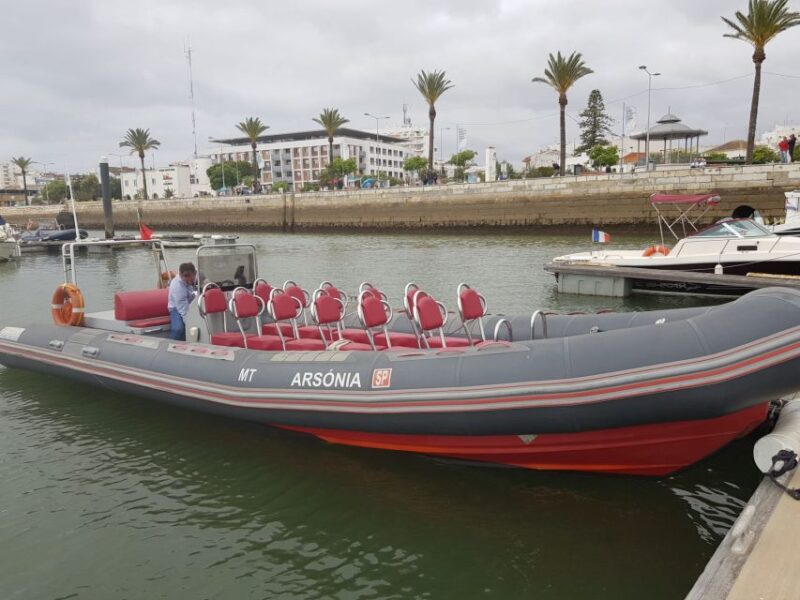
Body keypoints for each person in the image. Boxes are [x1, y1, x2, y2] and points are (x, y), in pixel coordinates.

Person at [167, 262, 197, 341]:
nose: (190, 282)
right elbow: (184, 311)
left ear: (195, 273)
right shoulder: (178, 287)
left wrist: (206, 280)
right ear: (180, 275)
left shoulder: (196, 273)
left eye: (192, 280)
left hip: (192, 302)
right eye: (187, 281)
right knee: (178, 329)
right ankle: (171, 344)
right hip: (176, 307)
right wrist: (190, 325)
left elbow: (202, 274)